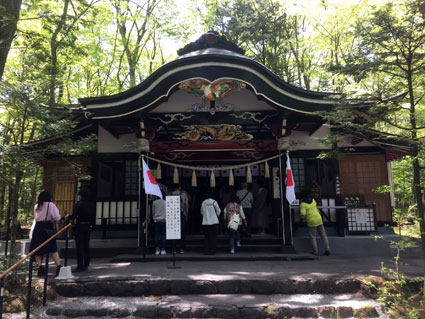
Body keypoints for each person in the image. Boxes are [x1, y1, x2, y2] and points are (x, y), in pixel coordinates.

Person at [29, 190, 62, 277]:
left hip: (38, 227)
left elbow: (36, 218)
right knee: (53, 247)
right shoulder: (50, 205)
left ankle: (40, 268)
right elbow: (56, 217)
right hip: (47, 227)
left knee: (37, 248)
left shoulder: (37, 206)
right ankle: (59, 267)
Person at [69, 187, 96, 272]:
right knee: (86, 245)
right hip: (88, 226)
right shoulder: (91, 204)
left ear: (80, 195)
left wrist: (67, 217)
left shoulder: (79, 204)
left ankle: (80, 265)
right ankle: (86, 264)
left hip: (80, 226)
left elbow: (74, 216)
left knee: (79, 246)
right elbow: (93, 217)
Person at [300, 191, 330, 256]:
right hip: (319, 219)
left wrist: (305, 218)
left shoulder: (303, 204)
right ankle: (327, 249)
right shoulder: (313, 200)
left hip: (311, 220)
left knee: (313, 236)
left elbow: (302, 214)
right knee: (323, 235)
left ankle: (315, 251)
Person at [200, 189, 221, 255]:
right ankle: (212, 251)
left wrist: (205, 216)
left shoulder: (203, 202)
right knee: (213, 237)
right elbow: (219, 211)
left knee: (206, 237)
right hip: (214, 222)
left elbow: (201, 212)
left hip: (205, 222)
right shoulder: (214, 202)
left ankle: (206, 251)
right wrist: (215, 216)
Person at [170, 183, 189, 253]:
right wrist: (186, 214)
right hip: (182, 214)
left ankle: (174, 248)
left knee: (173, 231)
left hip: (172, 214)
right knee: (182, 232)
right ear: (179, 187)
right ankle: (181, 248)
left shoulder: (170, 194)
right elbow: (186, 205)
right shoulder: (184, 194)